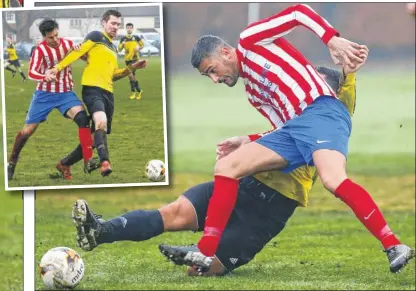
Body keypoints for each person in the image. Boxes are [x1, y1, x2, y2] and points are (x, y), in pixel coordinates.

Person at [190, 4, 413, 273]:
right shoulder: (252, 94)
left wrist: (332, 38)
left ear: (226, 53)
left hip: (321, 111)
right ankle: (205, 251)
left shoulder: (250, 39)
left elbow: (298, 11)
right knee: (226, 167)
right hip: (292, 130)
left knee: (333, 180)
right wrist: (248, 139)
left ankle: (393, 244)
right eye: (208, 76)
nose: (215, 79)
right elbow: (280, 127)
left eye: (213, 70)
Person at [47, 10, 147, 177]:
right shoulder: (95, 36)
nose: (116, 27)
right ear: (104, 22)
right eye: (113, 23)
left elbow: (114, 75)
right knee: (101, 121)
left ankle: (64, 164)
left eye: (118, 24)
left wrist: (132, 67)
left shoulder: (114, 48)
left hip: (109, 93)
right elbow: (77, 53)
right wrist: (56, 68)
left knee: (93, 139)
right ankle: (105, 162)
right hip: (92, 88)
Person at [7, 19, 95, 181]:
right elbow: (32, 72)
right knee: (27, 131)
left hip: (65, 93)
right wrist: (44, 76)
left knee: (84, 119)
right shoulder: (40, 50)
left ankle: (87, 158)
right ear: (44, 37)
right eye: (50, 38)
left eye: (56, 36)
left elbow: (87, 58)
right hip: (44, 95)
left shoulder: (67, 44)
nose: (54, 40)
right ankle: (12, 162)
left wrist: (80, 51)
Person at [118, 23, 144, 100]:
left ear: (132, 29)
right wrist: (122, 44)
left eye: (130, 28)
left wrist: (138, 48)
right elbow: (119, 49)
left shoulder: (136, 37)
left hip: (135, 58)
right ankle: (139, 91)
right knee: (132, 76)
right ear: (126, 29)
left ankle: (134, 92)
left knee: (129, 74)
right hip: (127, 59)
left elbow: (142, 45)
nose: (129, 29)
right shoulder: (123, 38)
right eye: (128, 28)